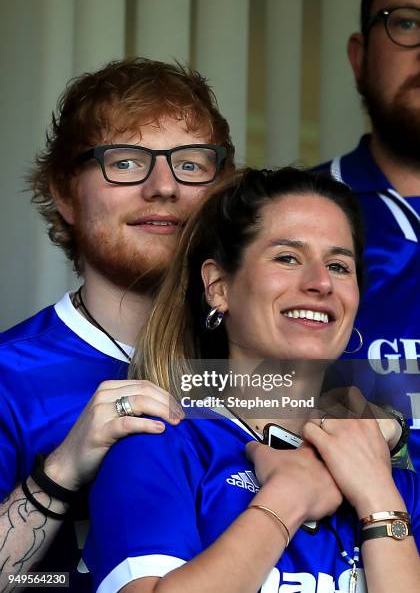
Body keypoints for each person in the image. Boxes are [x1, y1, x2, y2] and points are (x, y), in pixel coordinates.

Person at [85, 168, 420, 593]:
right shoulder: (161, 446)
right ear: (219, 287)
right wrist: (288, 498)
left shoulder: (389, 474)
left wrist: (378, 498)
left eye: (338, 265)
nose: (320, 283)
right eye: (287, 257)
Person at [0, 58, 234, 590]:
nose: (164, 186)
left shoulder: (262, 359)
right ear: (65, 192)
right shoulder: (9, 375)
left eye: (192, 163)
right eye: (126, 162)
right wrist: (62, 470)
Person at [316, 0, 420, 471]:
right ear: (360, 58)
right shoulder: (281, 218)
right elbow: (212, 389)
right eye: (406, 22)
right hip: (337, 540)